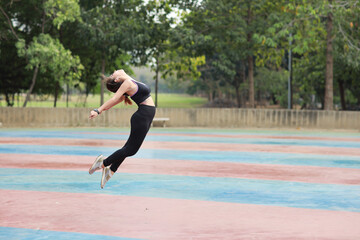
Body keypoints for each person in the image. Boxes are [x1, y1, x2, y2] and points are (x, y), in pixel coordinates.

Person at [88, 69, 156, 188]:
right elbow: (114, 99)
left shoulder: (129, 81)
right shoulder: (127, 83)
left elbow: (118, 99)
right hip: (142, 117)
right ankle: (103, 163)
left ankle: (111, 170)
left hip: (146, 116)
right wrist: (98, 110)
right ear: (117, 79)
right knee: (131, 150)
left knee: (128, 148)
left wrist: (121, 75)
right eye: (112, 73)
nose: (114, 71)